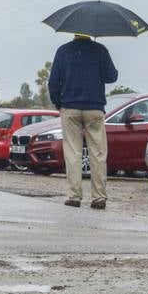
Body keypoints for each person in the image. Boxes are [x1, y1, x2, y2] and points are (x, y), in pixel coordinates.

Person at [48, 33, 119, 210]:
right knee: (98, 153)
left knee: (73, 153)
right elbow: (112, 77)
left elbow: (52, 83)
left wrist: (59, 103)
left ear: (74, 32)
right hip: (95, 107)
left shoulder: (63, 51)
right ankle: (99, 197)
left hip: (70, 106)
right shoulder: (100, 50)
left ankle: (74, 196)